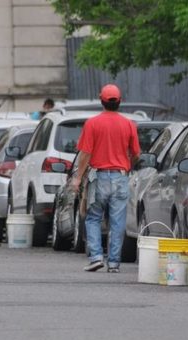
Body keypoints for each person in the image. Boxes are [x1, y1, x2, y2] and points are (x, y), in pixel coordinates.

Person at [71, 84, 140, 273]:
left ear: (101, 100)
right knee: (117, 222)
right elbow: (136, 154)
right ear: (119, 102)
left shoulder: (92, 124)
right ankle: (114, 264)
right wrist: (127, 164)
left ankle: (96, 257)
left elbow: (85, 153)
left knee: (93, 218)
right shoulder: (128, 125)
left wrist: (77, 178)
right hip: (120, 177)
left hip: (98, 177)